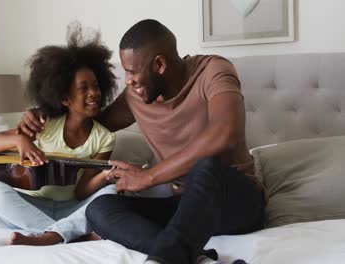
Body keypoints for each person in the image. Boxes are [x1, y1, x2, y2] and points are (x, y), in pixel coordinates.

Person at [18, 19, 265, 264]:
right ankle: (198, 259)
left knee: (206, 167)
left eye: (132, 71)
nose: (128, 80)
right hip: (184, 206)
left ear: (159, 64)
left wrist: (150, 176)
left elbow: (226, 134)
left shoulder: (213, 71)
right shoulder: (135, 97)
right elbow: (86, 127)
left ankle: (161, 260)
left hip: (234, 202)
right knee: (100, 208)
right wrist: (42, 117)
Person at [0, 22, 118, 246]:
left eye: (96, 86)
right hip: (35, 205)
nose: (94, 93)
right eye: (83, 88)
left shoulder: (104, 138)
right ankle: (69, 233)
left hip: (73, 206)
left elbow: (83, 191)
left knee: (111, 192)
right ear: (64, 97)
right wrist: (20, 139)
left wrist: (106, 176)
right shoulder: (43, 123)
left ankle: (50, 235)